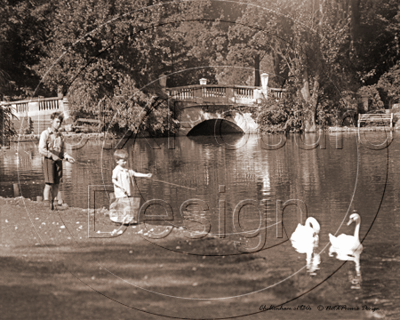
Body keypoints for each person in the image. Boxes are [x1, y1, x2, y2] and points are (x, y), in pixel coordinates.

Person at [38, 111, 75, 210]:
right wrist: (51, 155)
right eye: (57, 122)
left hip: (58, 161)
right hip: (49, 161)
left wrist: (67, 157)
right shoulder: (45, 134)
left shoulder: (60, 136)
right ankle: (46, 202)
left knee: (56, 183)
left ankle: (54, 202)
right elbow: (41, 149)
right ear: (51, 121)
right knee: (49, 183)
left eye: (60, 122)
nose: (58, 124)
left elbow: (63, 151)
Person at [110, 149, 152, 224]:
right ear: (117, 161)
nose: (125, 162)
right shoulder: (116, 170)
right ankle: (120, 220)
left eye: (126, 160)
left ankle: (126, 219)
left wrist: (146, 175)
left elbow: (135, 174)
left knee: (128, 204)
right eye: (123, 161)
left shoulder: (127, 168)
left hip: (128, 190)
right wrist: (121, 187)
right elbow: (113, 180)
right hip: (120, 192)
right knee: (122, 205)